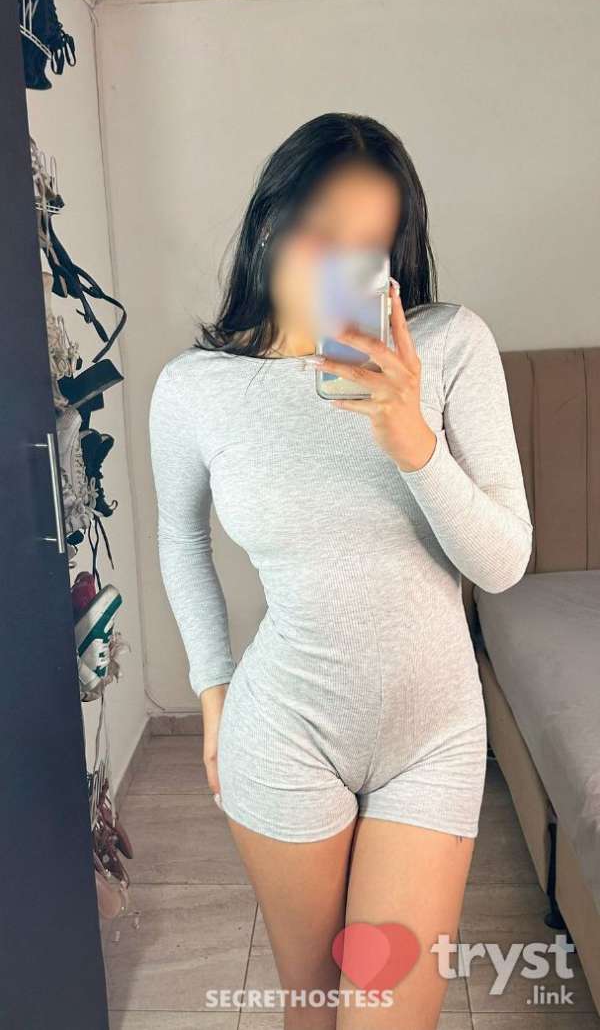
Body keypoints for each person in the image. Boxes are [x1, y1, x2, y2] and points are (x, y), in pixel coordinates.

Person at [149, 112, 533, 1029]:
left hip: (432, 735)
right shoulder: (195, 388)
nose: (337, 257)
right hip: (285, 731)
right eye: (320, 225)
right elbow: (179, 538)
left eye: (369, 241)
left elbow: (505, 561)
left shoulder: (450, 345)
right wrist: (213, 689)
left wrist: (412, 438)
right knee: (315, 1000)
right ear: (270, 218)